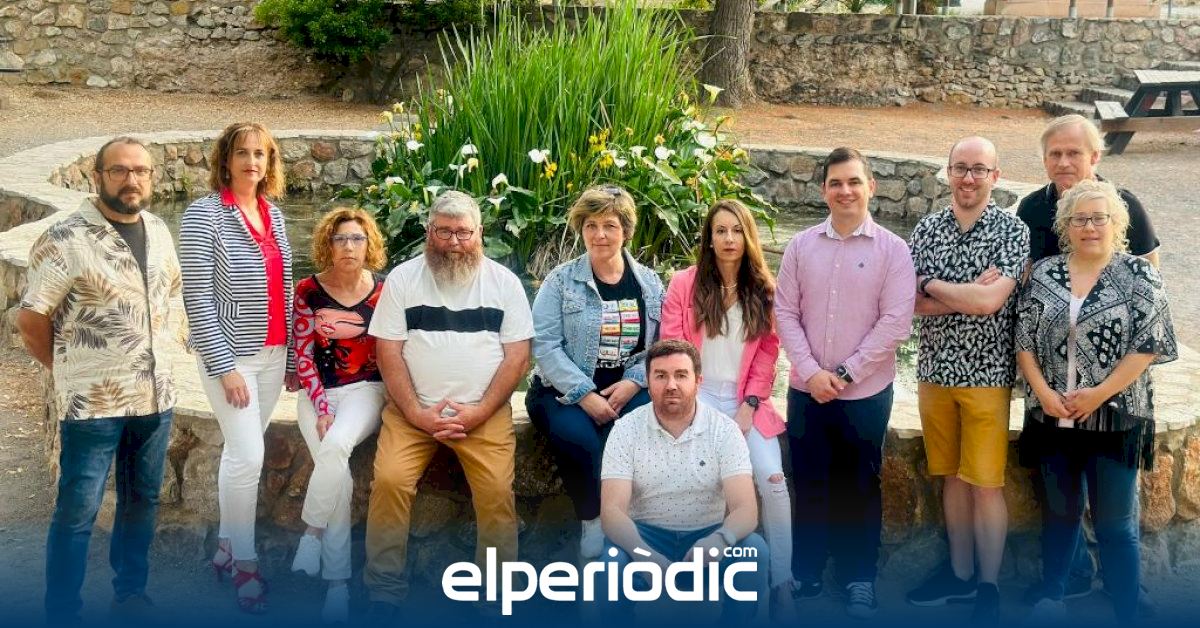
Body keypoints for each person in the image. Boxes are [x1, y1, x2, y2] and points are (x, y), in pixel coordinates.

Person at [17, 137, 180, 624]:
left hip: (155, 395)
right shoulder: (65, 238)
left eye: (140, 171)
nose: (132, 180)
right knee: (77, 510)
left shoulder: (158, 229)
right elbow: (31, 319)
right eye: (119, 171)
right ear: (98, 177)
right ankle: (62, 610)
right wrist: (67, 369)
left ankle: (130, 593)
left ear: (151, 178)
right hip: (93, 403)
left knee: (142, 501)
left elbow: (170, 294)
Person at [364, 191, 534, 618]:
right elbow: (388, 352)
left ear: (480, 233)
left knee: (496, 493)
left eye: (463, 232)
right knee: (389, 481)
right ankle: (383, 590)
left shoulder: (504, 283)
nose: (454, 242)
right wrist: (416, 413)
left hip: (483, 413)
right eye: (444, 232)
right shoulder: (403, 279)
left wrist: (480, 411)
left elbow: (518, 358)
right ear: (429, 232)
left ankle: (495, 593)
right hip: (412, 412)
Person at [1016, 114, 1162, 610]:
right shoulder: (1043, 259)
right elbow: (1024, 335)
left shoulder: (1138, 267)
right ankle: (1057, 589)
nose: (1090, 226)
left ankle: (1127, 599)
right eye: (1079, 219)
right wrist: (1043, 393)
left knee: (1116, 520)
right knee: (1059, 513)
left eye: (1100, 219)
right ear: (1065, 225)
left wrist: (1101, 392)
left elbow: (1149, 337)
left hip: (1116, 411)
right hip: (1053, 409)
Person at [774, 148, 915, 619]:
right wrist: (811, 371)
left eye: (854, 181)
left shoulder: (894, 251)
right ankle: (807, 571)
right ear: (823, 191)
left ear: (871, 186)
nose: (845, 191)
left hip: (866, 393)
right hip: (807, 390)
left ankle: (859, 579)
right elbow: (785, 313)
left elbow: (895, 323)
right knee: (808, 480)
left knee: (861, 484)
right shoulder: (800, 247)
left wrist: (846, 373)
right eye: (836, 183)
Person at [906, 137, 1029, 625]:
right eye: (960, 167)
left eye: (979, 169)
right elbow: (906, 302)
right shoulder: (927, 229)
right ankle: (958, 576)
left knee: (985, 483)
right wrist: (961, 294)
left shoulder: (1011, 231)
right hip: (934, 372)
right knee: (952, 477)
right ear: (948, 172)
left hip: (987, 375)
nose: (969, 178)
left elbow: (989, 303)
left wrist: (931, 284)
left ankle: (988, 587)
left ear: (995, 176)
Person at [180, 122, 296, 614]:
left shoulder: (274, 214)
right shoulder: (203, 215)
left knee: (239, 453)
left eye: (261, 154)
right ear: (225, 160)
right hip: (231, 357)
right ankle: (245, 565)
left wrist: (292, 357)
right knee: (248, 455)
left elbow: (286, 289)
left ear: (270, 163)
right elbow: (197, 297)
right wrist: (223, 366)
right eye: (242, 153)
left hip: (273, 355)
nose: (252, 162)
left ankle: (227, 546)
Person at [661, 199, 796, 615]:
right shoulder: (684, 284)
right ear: (709, 238)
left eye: (737, 230)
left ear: (748, 236)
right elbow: (673, 348)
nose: (729, 238)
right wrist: (694, 408)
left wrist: (750, 405)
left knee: (773, 480)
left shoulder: (765, 290)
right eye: (720, 231)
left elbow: (768, 354)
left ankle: (781, 582)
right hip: (696, 400)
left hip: (745, 403)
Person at [528, 185, 661, 560]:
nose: (599, 234)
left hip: (627, 387)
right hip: (561, 389)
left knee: (639, 432)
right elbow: (545, 345)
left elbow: (658, 346)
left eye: (609, 225)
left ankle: (637, 518)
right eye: (591, 225)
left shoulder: (649, 283)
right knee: (580, 438)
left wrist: (633, 382)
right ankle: (593, 521)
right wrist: (584, 394)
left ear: (626, 231)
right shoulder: (560, 281)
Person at [597, 339, 769, 622]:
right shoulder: (625, 429)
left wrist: (721, 539)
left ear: (698, 381)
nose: (671, 385)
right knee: (609, 564)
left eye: (681, 375)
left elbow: (746, 509)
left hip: (707, 536)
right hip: (645, 536)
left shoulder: (725, 430)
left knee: (755, 551)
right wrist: (643, 554)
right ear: (648, 382)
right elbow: (612, 512)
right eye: (660, 376)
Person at [288, 207, 387, 623]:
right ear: (327, 244)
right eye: (340, 239)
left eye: (357, 239)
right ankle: (337, 586)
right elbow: (303, 354)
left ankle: (311, 533)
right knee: (340, 479)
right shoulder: (308, 290)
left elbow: (391, 352)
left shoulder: (383, 292)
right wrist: (321, 406)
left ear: (369, 245)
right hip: (317, 393)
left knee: (337, 443)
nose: (349, 246)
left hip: (366, 390)